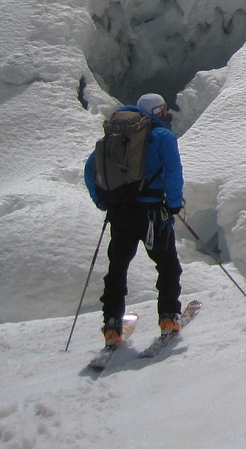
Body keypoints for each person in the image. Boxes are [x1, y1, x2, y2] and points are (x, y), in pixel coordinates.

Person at [84, 92, 184, 345]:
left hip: (120, 214)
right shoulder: (162, 137)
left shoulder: (116, 136)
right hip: (152, 215)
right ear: (155, 111)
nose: (165, 113)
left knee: (117, 269)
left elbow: (90, 169)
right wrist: (172, 206)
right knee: (167, 266)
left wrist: (104, 202)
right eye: (162, 108)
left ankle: (111, 326)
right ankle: (168, 318)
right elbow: (173, 172)